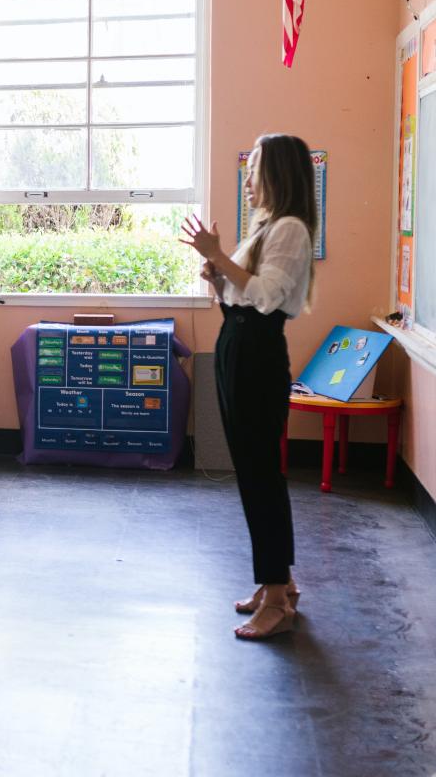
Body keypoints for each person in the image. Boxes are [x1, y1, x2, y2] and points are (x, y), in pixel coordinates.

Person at [181, 133, 316, 640]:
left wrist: (221, 254)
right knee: (252, 470)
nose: (249, 179)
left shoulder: (291, 230)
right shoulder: (266, 227)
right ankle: (276, 580)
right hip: (238, 344)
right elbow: (240, 295)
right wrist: (217, 277)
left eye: (255, 169)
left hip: (257, 353)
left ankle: (277, 596)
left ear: (278, 173)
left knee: (261, 472)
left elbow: (265, 297)